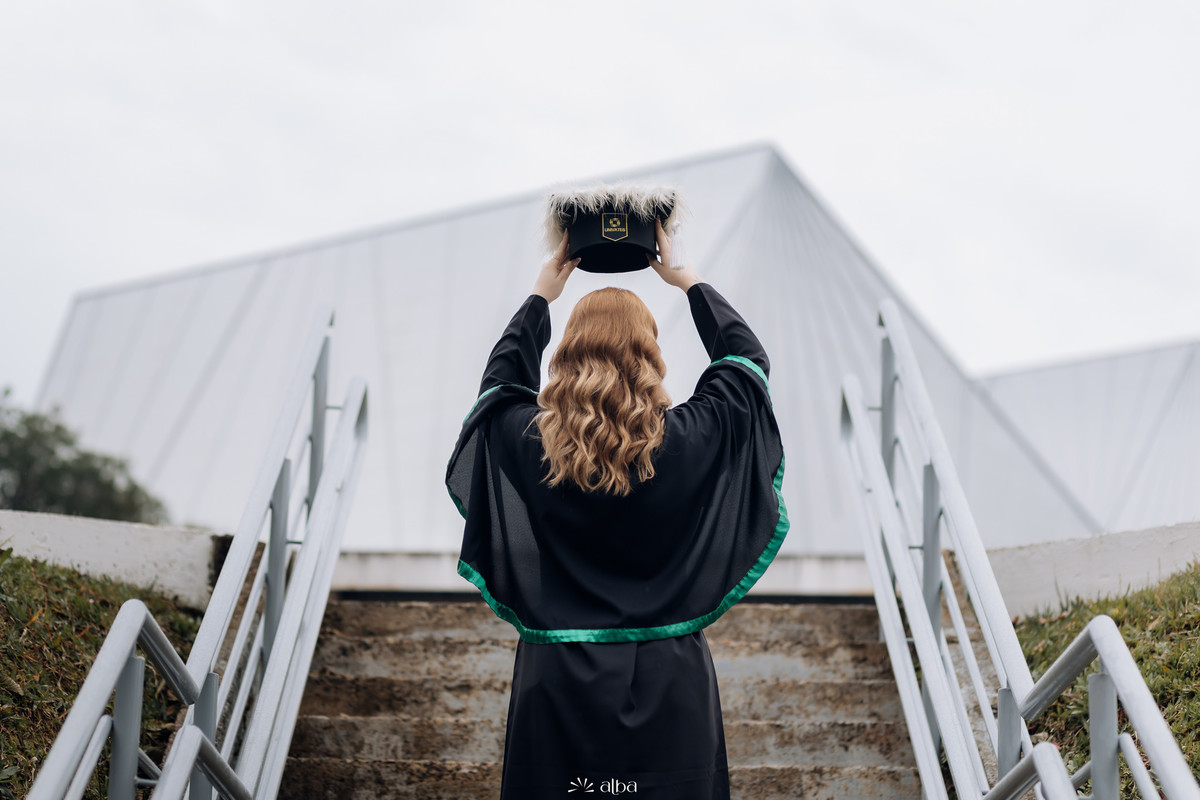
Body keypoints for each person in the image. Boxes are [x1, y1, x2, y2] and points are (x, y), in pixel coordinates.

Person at [446, 220, 788, 800]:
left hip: (557, 676)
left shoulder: (530, 441)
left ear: (566, 352)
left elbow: (498, 389)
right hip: (669, 676)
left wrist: (541, 296)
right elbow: (746, 364)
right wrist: (686, 280)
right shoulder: (691, 436)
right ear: (650, 354)